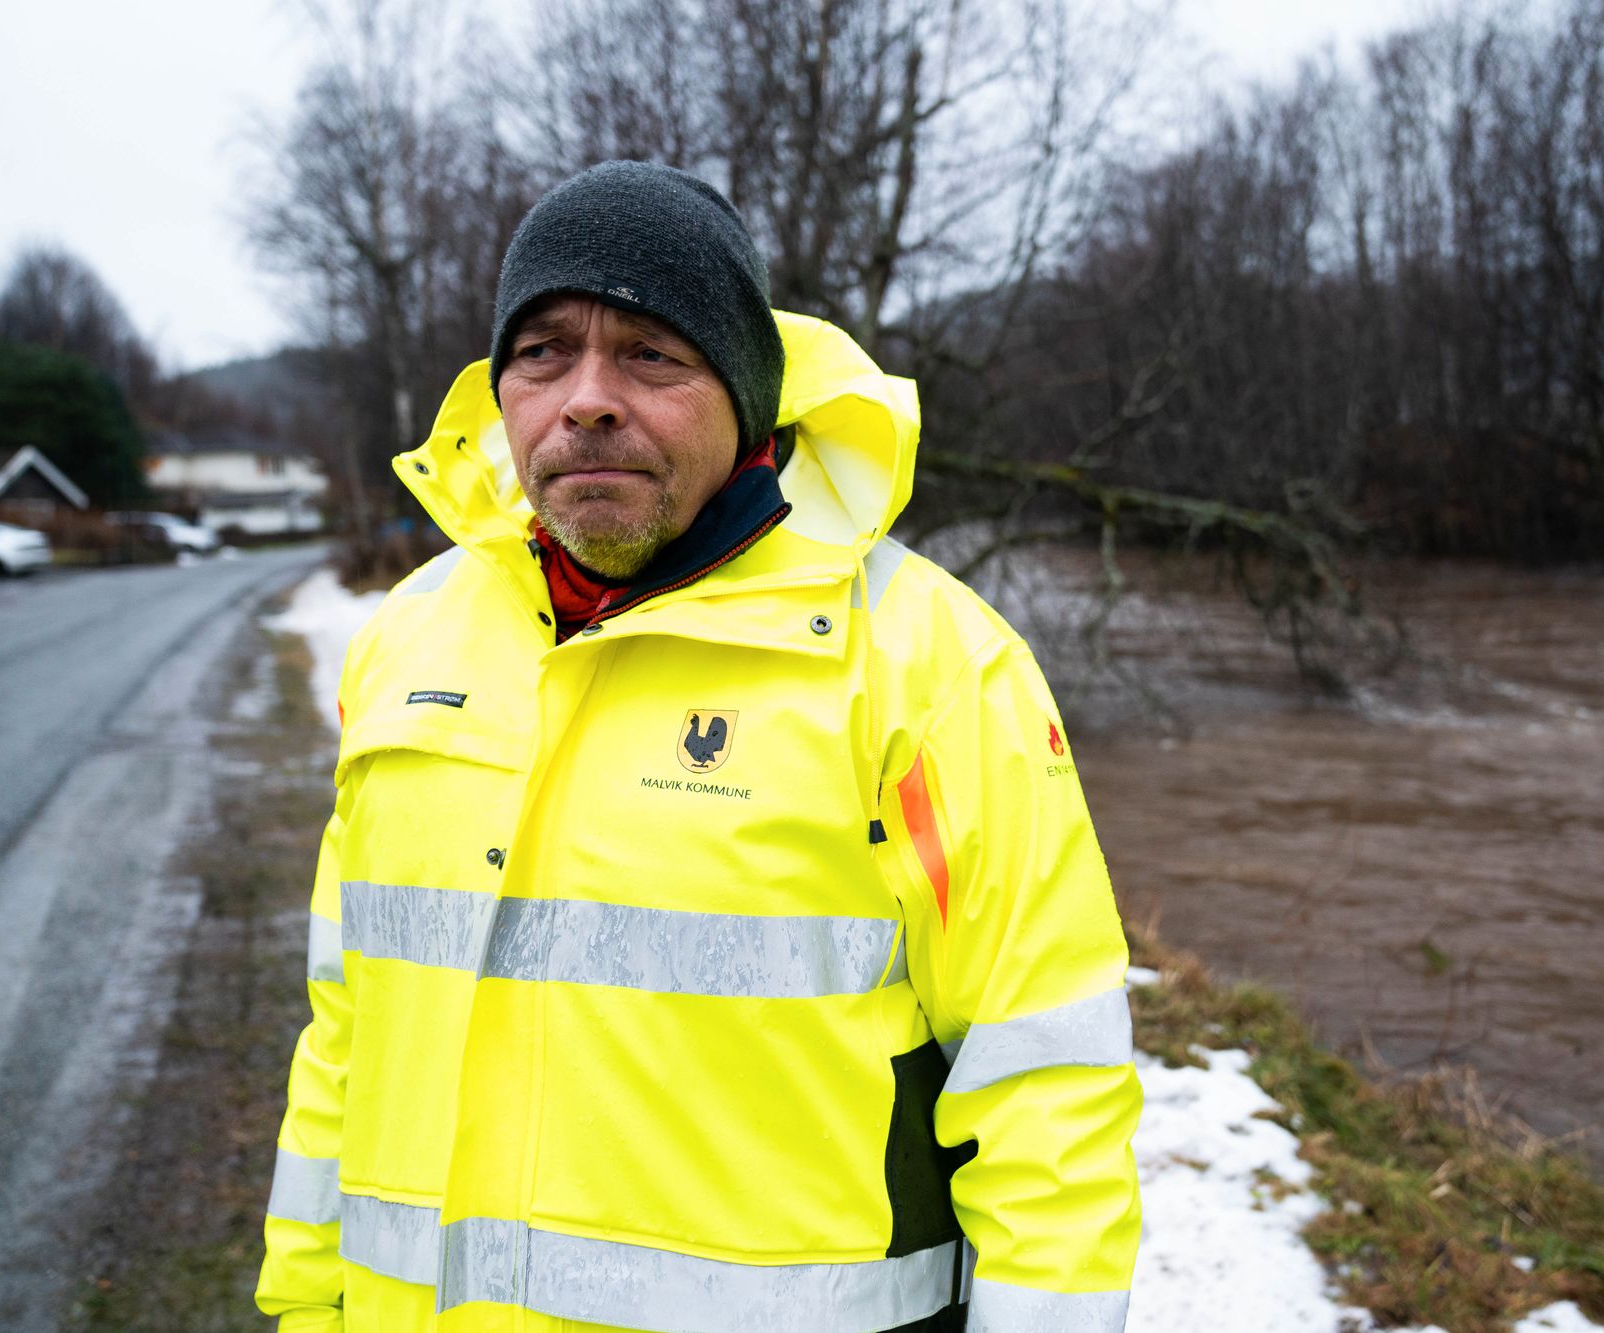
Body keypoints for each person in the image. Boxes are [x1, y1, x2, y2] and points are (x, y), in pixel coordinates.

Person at [255, 161, 1142, 1333]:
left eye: (650, 354)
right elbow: (348, 1033)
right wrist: (309, 1309)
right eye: (543, 352)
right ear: (498, 389)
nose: (585, 398)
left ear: (745, 392)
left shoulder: (925, 661)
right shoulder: (406, 640)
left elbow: (1047, 1092)